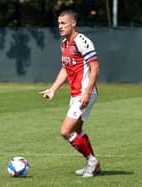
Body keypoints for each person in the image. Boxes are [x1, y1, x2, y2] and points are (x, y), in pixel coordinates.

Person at [40, 10, 101, 177]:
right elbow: (65, 69)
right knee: (77, 130)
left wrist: (87, 93)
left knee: (65, 131)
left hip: (84, 93)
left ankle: (92, 161)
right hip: (75, 94)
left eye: (63, 23)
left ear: (73, 23)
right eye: (58, 23)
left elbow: (95, 68)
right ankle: (92, 163)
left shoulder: (82, 41)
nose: (60, 27)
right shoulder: (64, 44)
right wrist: (53, 89)